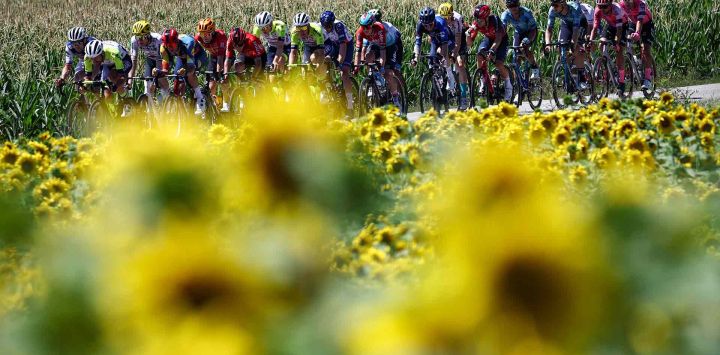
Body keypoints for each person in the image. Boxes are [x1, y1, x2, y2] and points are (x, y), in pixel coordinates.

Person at [353, 12, 402, 107]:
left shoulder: (380, 29)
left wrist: (382, 66)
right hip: (375, 45)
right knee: (368, 57)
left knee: (387, 73)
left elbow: (383, 51)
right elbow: (358, 51)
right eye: (362, 26)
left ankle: (396, 98)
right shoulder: (359, 32)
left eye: (367, 27)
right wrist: (356, 67)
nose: (365, 29)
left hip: (389, 46)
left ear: (372, 25)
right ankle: (372, 82)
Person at [153, 29, 207, 115]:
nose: (170, 48)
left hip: (197, 56)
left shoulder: (187, 45)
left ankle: (200, 98)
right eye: (168, 45)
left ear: (177, 42)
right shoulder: (163, 48)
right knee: (177, 76)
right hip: (181, 56)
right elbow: (165, 70)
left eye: (172, 44)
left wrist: (186, 71)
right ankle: (181, 104)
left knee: (189, 73)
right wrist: (158, 72)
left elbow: (190, 66)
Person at [467, 4, 513, 101]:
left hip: (501, 39)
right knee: (479, 54)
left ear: (486, 18)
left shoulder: (494, 20)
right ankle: (483, 80)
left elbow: (498, 39)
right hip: (489, 39)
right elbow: (470, 43)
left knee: (498, 64)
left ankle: (508, 86)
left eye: (480, 19)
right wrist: (467, 34)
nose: (478, 22)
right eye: (476, 19)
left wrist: (492, 51)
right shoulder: (476, 24)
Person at [544, 0, 590, 91]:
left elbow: (576, 31)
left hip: (580, 24)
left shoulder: (574, 9)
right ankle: (570, 75)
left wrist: (573, 44)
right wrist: (548, 44)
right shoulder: (552, 10)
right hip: (566, 24)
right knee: (561, 48)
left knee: (575, 47)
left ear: (563, 4)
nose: (553, 7)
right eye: (552, 5)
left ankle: (582, 77)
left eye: (556, 5)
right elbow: (549, 29)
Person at [410, 7, 457, 96]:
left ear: (434, 21)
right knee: (431, 59)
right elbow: (418, 42)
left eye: (430, 25)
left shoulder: (440, 23)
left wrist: (443, 57)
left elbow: (444, 44)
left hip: (448, 40)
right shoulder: (420, 25)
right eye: (425, 25)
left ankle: (451, 79)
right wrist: (415, 57)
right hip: (435, 40)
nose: (428, 27)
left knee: (441, 53)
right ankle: (438, 81)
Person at [589, 0, 631, 95]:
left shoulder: (617, 9)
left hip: (623, 27)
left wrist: (616, 42)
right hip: (611, 26)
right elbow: (595, 28)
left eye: (605, 6)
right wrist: (590, 41)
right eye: (600, 6)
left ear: (610, 4)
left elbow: (619, 30)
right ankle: (607, 65)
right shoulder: (598, 10)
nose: (602, 9)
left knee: (619, 50)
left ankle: (621, 81)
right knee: (601, 44)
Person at [319, 10, 355, 113]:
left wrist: (339, 61)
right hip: (334, 44)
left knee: (344, 72)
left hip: (347, 45)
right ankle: (332, 85)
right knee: (326, 62)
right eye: (325, 26)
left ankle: (350, 104)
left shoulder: (339, 26)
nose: (327, 28)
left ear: (333, 22)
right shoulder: (321, 27)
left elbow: (343, 46)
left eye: (329, 26)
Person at [128, 20, 170, 103]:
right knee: (147, 82)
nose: (139, 41)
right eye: (137, 37)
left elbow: (163, 57)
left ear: (148, 35)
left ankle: (167, 99)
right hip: (150, 59)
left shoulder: (158, 39)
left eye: (142, 38)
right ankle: (149, 107)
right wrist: (130, 79)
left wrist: (158, 74)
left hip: (162, 58)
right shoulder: (134, 41)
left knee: (160, 79)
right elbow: (133, 61)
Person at [438, 2, 471, 110]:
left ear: (451, 15)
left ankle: (464, 97)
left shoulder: (457, 19)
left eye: (448, 17)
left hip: (458, 37)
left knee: (460, 64)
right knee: (440, 52)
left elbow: (457, 42)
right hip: (446, 37)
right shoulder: (437, 19)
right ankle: (447, 76)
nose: (446, 20)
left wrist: (454, 54)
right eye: (444, 18)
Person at [194, 18, 230, 112]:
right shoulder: (198, 37)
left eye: (207, 34)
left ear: (213, 32)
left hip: (225, 56)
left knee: (222, 81)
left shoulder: (220, 36)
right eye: (202, 34)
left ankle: (226, 103)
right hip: (213, 56)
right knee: (211, 85)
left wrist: (218, 73)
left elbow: (221, 58)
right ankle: (215, 104)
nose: (204, 37)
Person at [500, 0, 540, 80]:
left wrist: (527, 41)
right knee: (516, 53)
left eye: (515, 5)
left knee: (523, 47)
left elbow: (533, 29)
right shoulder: (505, 15)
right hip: (518, 32)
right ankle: (518, 82)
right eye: (510, 6)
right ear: (507, 7)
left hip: (530, 31)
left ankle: (534, 67)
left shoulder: (526, 12)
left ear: (519, 5)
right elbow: (502, 30)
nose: (513, 8)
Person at [620, 0, 655, 89]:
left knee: (646, 50)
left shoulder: (641, 3)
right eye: (625, 2)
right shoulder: (622, 4)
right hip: (633, 23)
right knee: (627, 43)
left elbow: (640, 20)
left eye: (629, 2)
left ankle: (648, 78)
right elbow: (621, 20)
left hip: (646, 24)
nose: (627, 4)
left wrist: (637, 33)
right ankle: (635, 64)